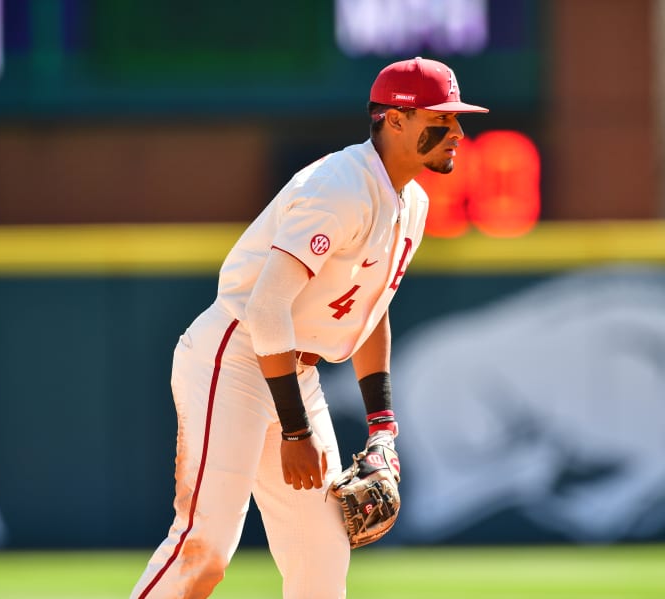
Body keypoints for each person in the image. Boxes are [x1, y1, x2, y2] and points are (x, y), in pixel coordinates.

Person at [130, 56, 488, 599]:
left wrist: (383, 426)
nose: (457, 130)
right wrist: (296, 432)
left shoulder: (411, 202)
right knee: (205, 545)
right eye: (440, 117)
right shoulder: (339, 186)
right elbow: (266, 308)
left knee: (322, 556)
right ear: (393, 120)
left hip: (293, 373)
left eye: (457, 118)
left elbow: (371, 310)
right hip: (234, 356)